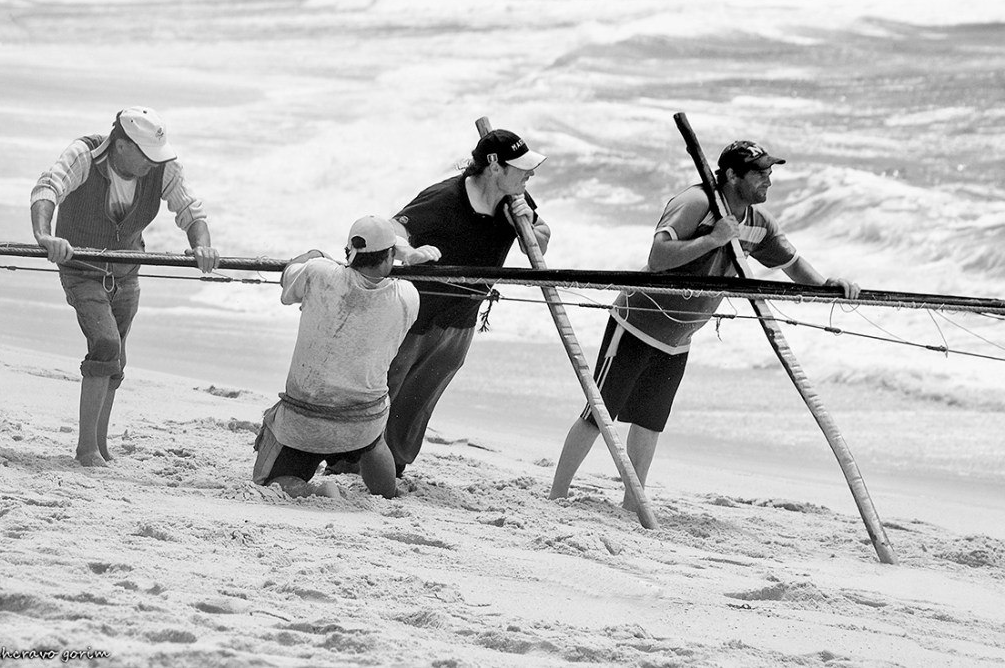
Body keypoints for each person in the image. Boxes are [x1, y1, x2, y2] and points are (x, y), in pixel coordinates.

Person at [549, 140, 861, 510]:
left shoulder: (758, 224)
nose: (769, 181)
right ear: (732, 175)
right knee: (599, 415)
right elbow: (658, 256)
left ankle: (633, 503)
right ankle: (557, 495)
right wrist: (712, 240)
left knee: (650, 422)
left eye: (770, 173)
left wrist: (827, 286)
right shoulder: (695, 203)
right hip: (635, 323)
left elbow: (791, 264)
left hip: (679, 337)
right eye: (760, 174)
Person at [30, 106, 220, 467]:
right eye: (146, 155)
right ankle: (86, 449)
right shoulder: (84, 156)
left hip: (127, 270)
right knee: (105, 344)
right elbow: (47, 189)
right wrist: (45, 235)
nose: (153, 162)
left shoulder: (162, 167)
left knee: (117, 358)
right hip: (81, 268)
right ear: (122, 145)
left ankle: (100, 446)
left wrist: (202, 246)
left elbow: (191, 211)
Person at [381, 128, 551, 477]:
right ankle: (351, 459)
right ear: (495, 167)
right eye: (522, 168)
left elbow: (542, 239)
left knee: (421, 396)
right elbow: (391, 228)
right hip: (416, 315)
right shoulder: (446, 197)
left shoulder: (516, 201)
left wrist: (529, 225)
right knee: (387, 386)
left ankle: (394, 465)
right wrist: (409, 253)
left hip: (463, 318)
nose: (530, 174)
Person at [252, 216, 431, 499]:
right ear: (390, 256)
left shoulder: (318, 273)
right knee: (374, 440)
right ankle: (387, 493)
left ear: (350, 252)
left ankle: (319, 490)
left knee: (268, 482)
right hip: (364, 421)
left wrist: (316, 254)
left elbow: (288, 277)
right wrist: (402, 254)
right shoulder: (408, 296)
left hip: (306, 419)